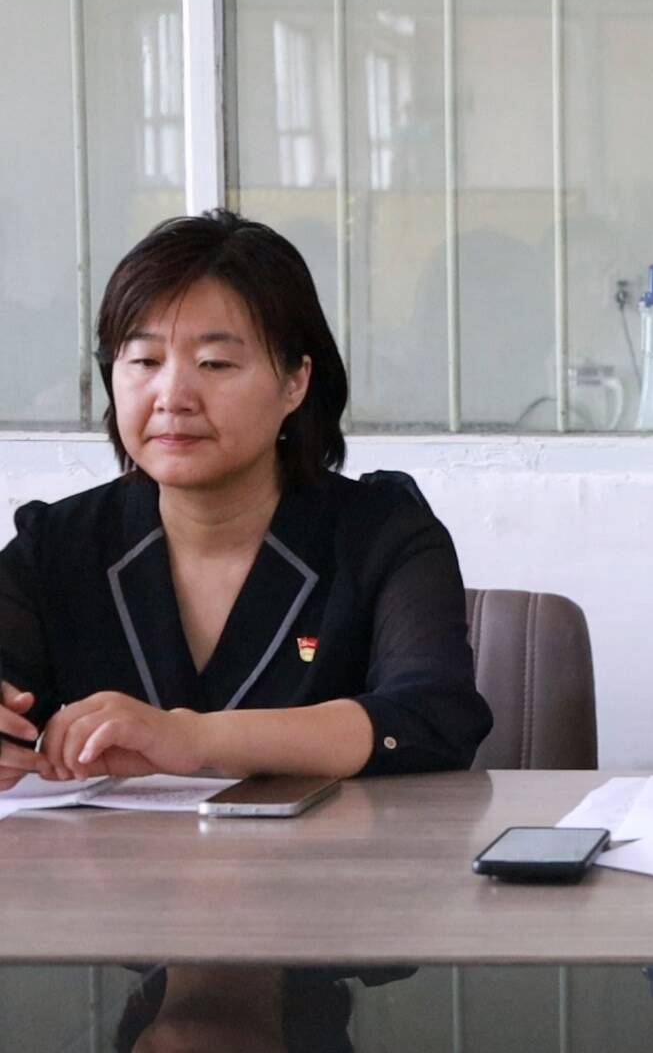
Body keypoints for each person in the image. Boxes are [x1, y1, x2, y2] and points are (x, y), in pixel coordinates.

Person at [0, 209, 493, 1048]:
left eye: (215, 362)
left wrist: (192, 739)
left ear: (296, 382)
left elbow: (431, 715)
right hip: (99, 921)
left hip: (330, 917)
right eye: (143, 360)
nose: (172, 396)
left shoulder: (379, 533)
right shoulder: (59, 545)